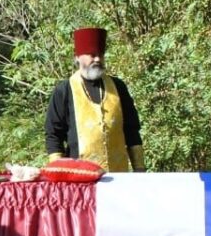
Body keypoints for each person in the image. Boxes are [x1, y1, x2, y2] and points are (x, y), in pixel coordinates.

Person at [44, 27, 144, 172]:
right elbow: (53, 135)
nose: (97, 59)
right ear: (77, 57)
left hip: (119, 176)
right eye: (92, 54)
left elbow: (132, 130)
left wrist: (139, 169)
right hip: (80, 179)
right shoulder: (64, 90)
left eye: (100, 54)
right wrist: (59, 173)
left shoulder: (118, 87)